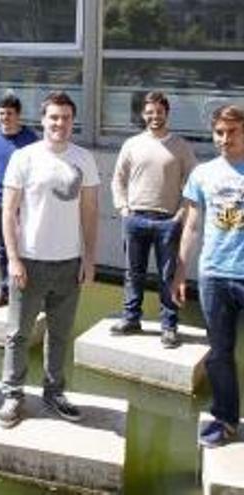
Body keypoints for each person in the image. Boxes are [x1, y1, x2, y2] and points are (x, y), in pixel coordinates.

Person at [0, 91, 100, 428]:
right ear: (42, 120)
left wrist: (89, 258)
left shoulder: (84, 159)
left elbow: (90, 212)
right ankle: (13, 392)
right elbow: (8, 212)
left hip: (69, 263)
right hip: (29, 261)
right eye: (54, 117)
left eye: (66, 117)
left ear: (73, 121)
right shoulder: (24, 158)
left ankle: (54, 391)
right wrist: (13, 259)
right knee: (18, 334)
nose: (60, 123)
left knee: (60, 334)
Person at [171, 105, 244, 448]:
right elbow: (192, 225)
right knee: (219, 353)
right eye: (219, 132)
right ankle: (226, 419)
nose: (225, 139)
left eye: (232, 132)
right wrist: (180, 271)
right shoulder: (202, 174)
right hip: (215, 274)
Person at [110, 91, 196, 347]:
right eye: (149, 112)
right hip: (134, 218)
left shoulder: (180, 146)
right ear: (142, 114)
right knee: (132, 273)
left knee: (168, 276)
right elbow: (118, 179)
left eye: (159, 112)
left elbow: (193, 183)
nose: (154, 116)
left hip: (167, 222)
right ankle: (131, 318)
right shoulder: (132, 144)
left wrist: (180, 215)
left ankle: (169, 326)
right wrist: (123, 208)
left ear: (166, 113)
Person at [0, 94, 39, 308]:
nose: (5, 117)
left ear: (18, 116)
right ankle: (5, 291)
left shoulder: (30, 138)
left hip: (23, 206)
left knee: (26, 249)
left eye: (9, 114)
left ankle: (26, 293)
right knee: (3, 250)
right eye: (1, 113)